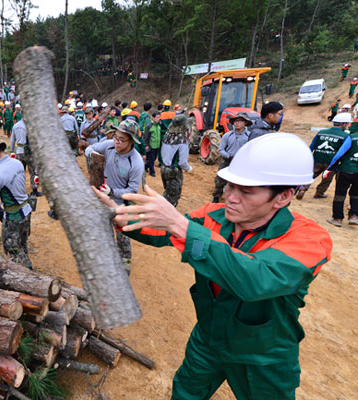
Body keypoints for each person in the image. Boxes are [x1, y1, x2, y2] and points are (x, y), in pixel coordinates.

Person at [93, 133, 332, 400]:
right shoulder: (213, 216)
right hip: (209, 339)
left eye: (246, 191)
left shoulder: (308, 240)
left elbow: (255, 279)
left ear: (283, 197)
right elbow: (158, 229)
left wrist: (181, 226)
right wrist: (117, 214)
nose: (230, 196)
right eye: (230, 186)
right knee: (185, 393)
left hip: (264, 355)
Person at [85, 120, 144, 274]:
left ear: (131, 141)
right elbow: (90, 148)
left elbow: (132, 191)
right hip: (102, 201)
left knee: (123, 238)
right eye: (115, 136)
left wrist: (111, 192)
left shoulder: (136, 162)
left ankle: (124, 266)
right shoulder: (109, 145)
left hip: (121, 206)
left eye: (121, 139)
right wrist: (91, 155)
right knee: (104, 234)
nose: (116, 141)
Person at [0, 137, 33, 269]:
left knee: (12, 249)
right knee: (23, 243)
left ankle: (23, 274)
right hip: (26, 211)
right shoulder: (17, 163)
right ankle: (27, 263)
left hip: (13, 217)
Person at [296, 113, 351, 200]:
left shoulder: (321, 132)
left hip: (317, 158)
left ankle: (302, 189)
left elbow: (312, 146)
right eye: (347, 124)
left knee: (311, 175)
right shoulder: (346, 136)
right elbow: (342, 151)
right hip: (331, 162)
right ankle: (319, 193)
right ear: (343, 124)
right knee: (326, 179)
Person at [323, 114, 358, 226]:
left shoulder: (351, 138)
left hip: (346, 170)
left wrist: (331, 167)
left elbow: (340, 154)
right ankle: (354, 216)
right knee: (356, 195)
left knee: (340, 194)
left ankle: (337, 219)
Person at [212, 112, 251, 202]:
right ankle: (216, 196)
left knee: (239, 180)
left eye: (240, 121)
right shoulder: (227, 135)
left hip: (241, 163)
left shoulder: (249, 136)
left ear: (245, 123)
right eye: (235, 121)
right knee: (220, 179)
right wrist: (228, 156)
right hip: (227, 161)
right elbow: (221, 149)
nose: (237, 123)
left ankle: (237, 198)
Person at [160, 114, 192, 207]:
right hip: (174, 171)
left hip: (164, 168)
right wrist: (188, 168)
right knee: (173, 198)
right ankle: (165, 217)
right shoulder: (182, 140)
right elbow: (182, 162)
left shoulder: (167, 136)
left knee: (167, 193)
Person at [10, 116, 40, 196]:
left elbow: (12, 140)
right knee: (32, 171)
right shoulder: (30, 126)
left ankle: (19, 191)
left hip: (19, 152)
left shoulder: (15, 126)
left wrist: (12, 151)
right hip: (29, 152)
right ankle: (34, 190)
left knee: (20, 172)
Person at [143, 112, 162, 177]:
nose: (158, 119)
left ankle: (145, 167)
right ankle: (152, 172)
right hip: (151, 146)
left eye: (159, 117)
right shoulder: (149, 126)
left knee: (153, 159)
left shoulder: (159, 125)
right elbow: (145, 136)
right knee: (151, 159)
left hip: (157, 145)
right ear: (153, 118)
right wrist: (146, 145)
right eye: (157, 117)